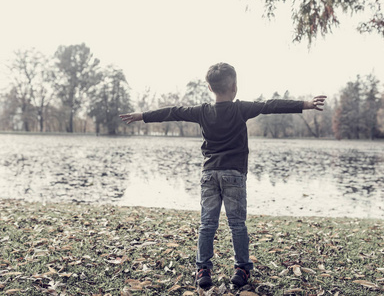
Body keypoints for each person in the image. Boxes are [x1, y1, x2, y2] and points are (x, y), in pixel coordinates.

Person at [119, 62, 326, 289]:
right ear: (234, 86)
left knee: (207, 224)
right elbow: (270, 105)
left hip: (209, 175)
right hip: (234, 175)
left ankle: (203, 270)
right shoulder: (241, 109)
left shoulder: (202, 111)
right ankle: (241, 270)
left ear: (209, 88)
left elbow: (173, 111)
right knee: (237, 224)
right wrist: (306, 103)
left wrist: (142, 116)